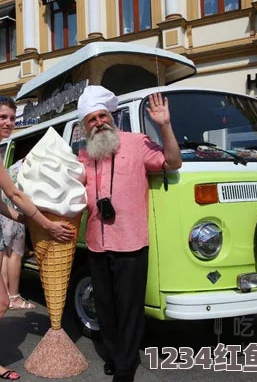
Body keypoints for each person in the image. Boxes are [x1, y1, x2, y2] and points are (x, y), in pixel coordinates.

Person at [0, 96, 73, 382]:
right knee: (0, 301)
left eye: (11, 117)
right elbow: (15, 194)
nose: (9, 123)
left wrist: (26, 222)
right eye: (2, 118)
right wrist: (46, 224)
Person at [76, 86, 182, 382]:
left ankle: (125, 365)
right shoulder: (84, 155)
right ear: (84, 127)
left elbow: (173, 162)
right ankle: (113, 353)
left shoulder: (136, 143)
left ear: (111, 117)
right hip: (97, 243)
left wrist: (164, 126)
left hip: (131, 242)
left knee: (130, 308)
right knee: (105, 307)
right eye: (91, 120)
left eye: (102, 116)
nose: (98, 122)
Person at [0, 158, 35, 310]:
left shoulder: (12, 168)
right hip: (15, 213)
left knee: (6, 255)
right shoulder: (29, 167)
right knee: (15, 255)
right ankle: (14, 297)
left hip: (4, 213)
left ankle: (5, 295)